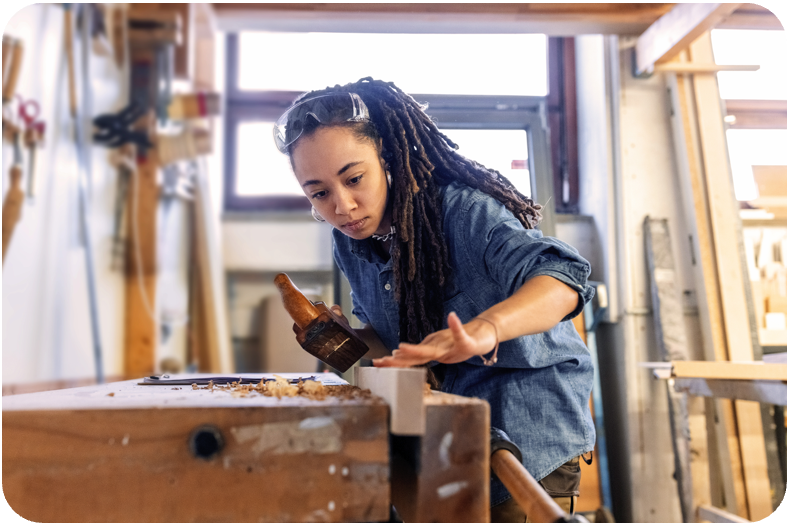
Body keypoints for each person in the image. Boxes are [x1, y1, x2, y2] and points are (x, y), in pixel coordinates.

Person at [273, 77, 595, 522]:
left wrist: (487, 329)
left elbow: (563, 279)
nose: (342, 206)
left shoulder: (464, 212)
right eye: (320, 192)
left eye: (354, 179)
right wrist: (351, 338)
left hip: (530, 434)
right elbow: (401, 353)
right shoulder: (351, 243)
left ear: (385, 157)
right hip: (449, 432)